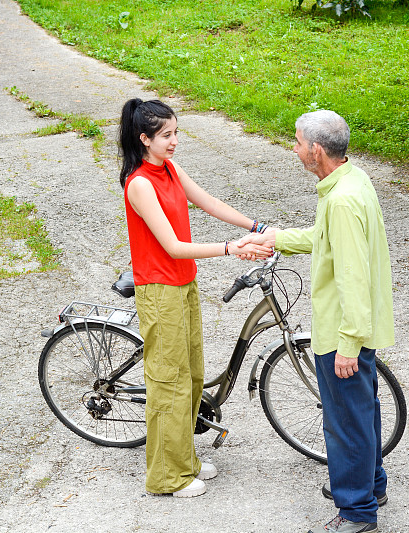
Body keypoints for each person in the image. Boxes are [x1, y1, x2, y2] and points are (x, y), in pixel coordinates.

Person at [240, 110, 395, 532]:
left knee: (344, 422)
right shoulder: (351, 180)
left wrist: (347, 344)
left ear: (316, 150)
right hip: (358, 328)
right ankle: (371, 485)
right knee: (362, 411)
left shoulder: (342, 200)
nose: (293, 149)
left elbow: (353, 278)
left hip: (343, 332)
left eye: (296, 142)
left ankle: (357, 512)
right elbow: (326, 239)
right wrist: (276, 239)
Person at [118, 98, 271, 498]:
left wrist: (257, 226)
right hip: (159, 289)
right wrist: (231, 248)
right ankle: (166, 477)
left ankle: (184, 459)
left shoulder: (168, 168)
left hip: (183, 285)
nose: (174, 141)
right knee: (168, 382)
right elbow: (172, 246)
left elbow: (209, 202)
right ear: (144, 139)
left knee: (191, 376)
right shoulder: (139, 184)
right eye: (166, 135)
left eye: (175, 132)